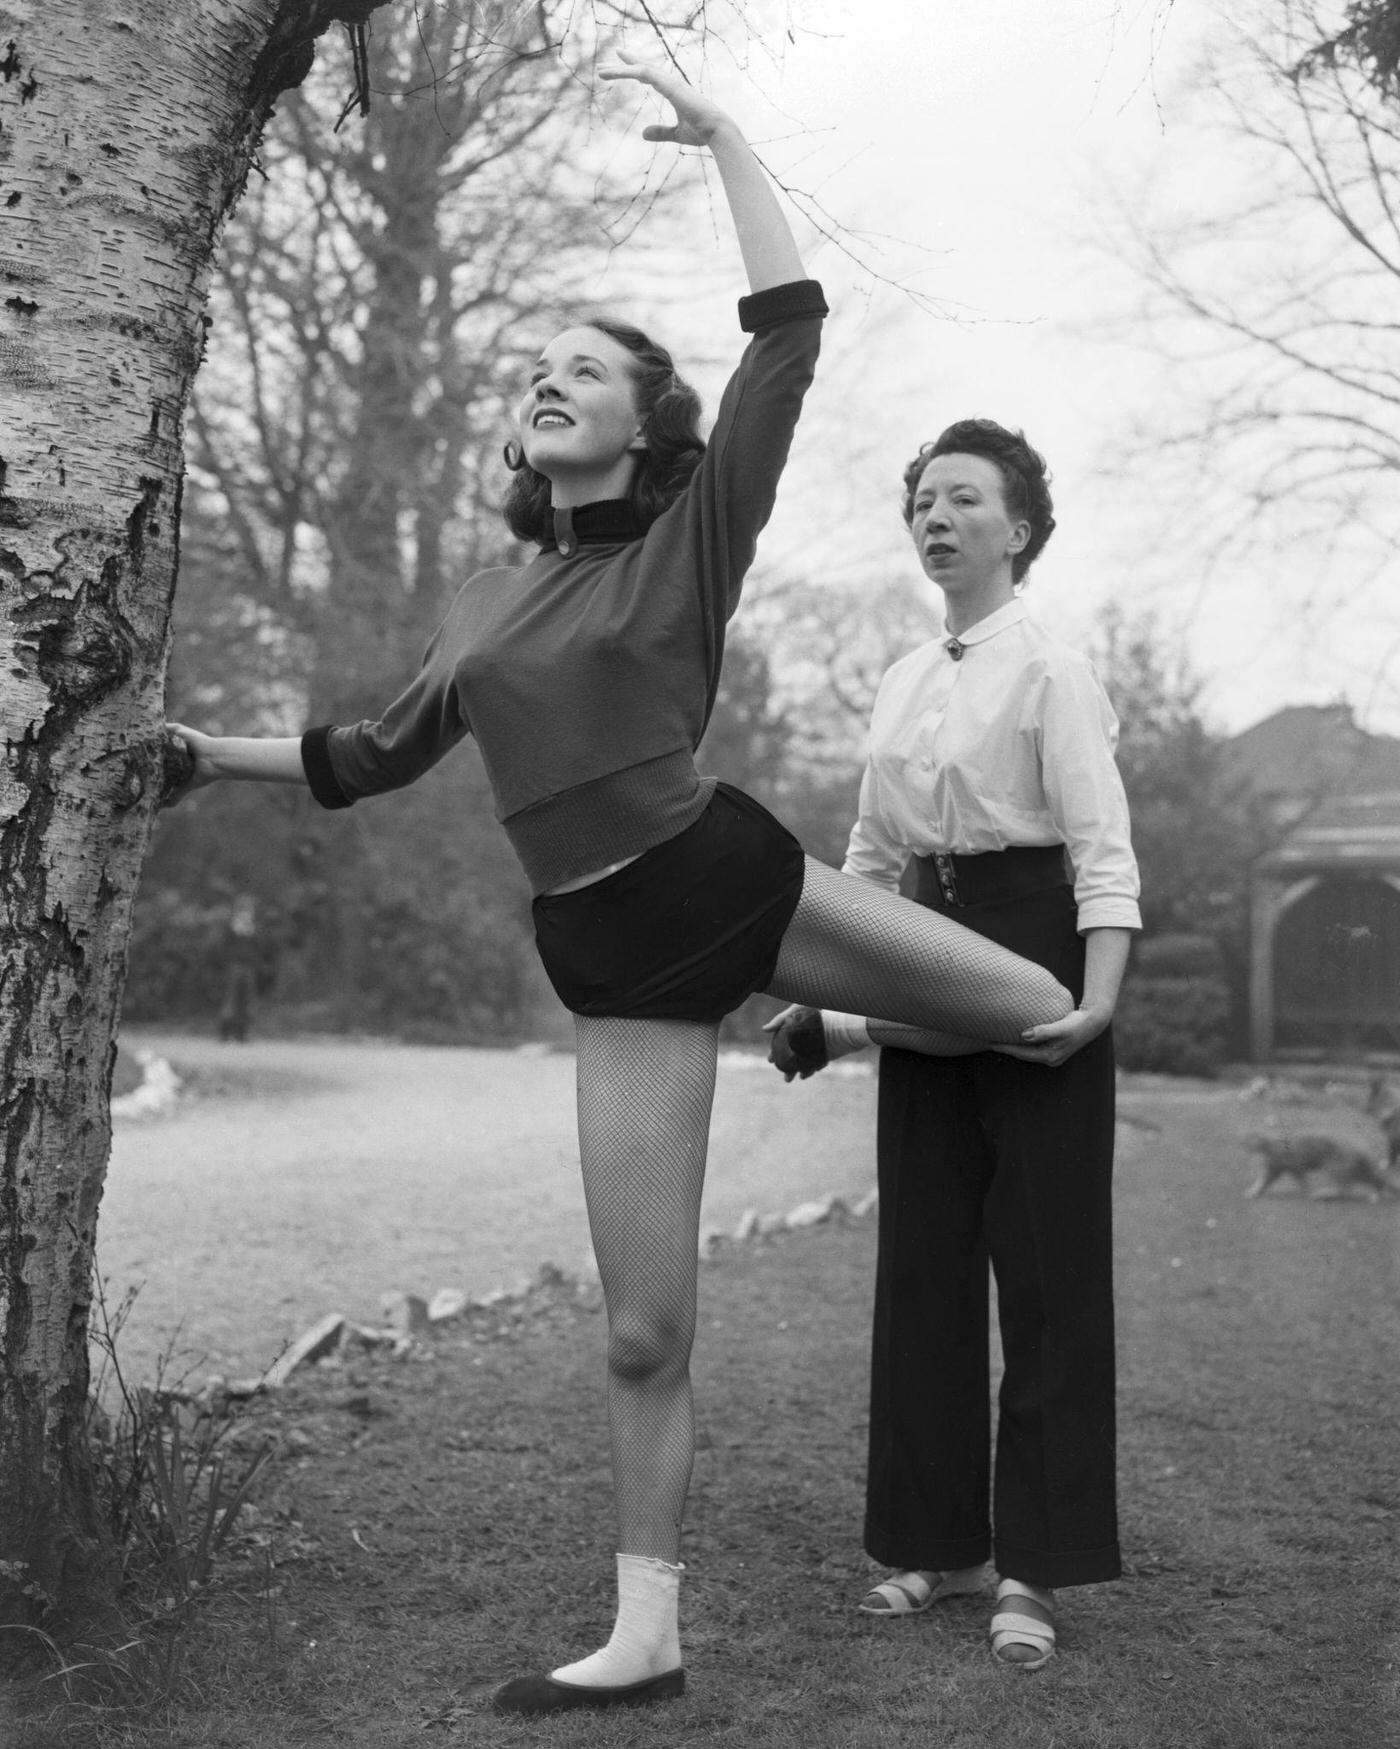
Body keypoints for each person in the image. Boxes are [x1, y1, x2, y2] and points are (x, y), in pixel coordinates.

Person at [166, 64, 1077, 1714]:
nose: (545, 380)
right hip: (608, 956)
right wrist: (192, 751)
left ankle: (854, 1016)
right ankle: (644, 1632)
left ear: (650, 427)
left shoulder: (693, 531)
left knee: (1040, 1009)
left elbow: (791, 333)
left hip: (728, 878)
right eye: (538, 370)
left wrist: (728, 141)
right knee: (644, 1329)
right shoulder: (483, 613)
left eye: (582, 368)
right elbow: (361, 756)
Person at [767, 420, 1140, 1671]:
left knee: (1044, 1281)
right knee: (920, 1269)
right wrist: (825, 984)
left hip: (1036, 958)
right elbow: (870, 861)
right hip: (921, 948)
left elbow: (1100, 856)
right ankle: (937, 1545)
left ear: (1017, 529)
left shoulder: (1049, 669)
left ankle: (1032, 1567)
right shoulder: (899, 677)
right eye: (921, 499)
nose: (933, 516)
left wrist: (1092, 1010)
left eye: (962, 499)